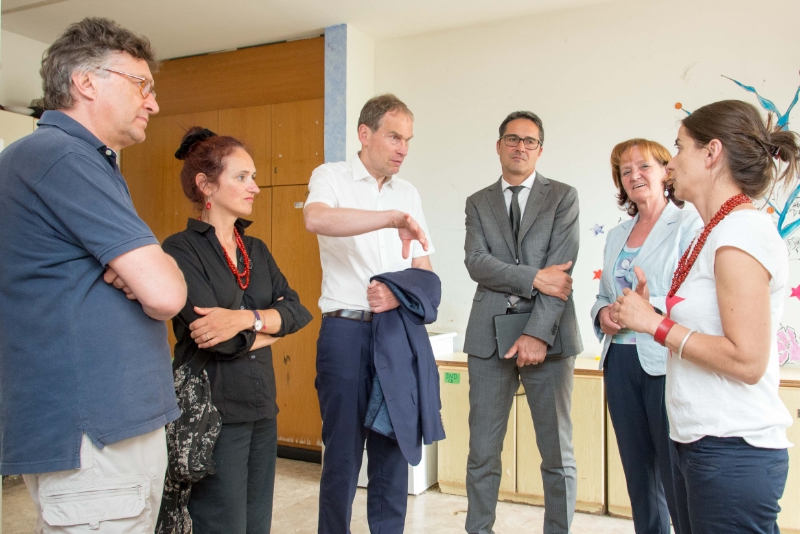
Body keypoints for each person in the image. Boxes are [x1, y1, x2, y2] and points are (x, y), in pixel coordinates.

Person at [0, 17, 187, 533]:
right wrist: (153, 269)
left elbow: (153, 277)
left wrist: (149, 267)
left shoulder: (79, 160)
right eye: (141, 84)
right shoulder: (61, 155)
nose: (152, 103)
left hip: (104, 429)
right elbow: (166, 293)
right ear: (86, 82)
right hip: (92, 433)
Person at [612, 100, 799, 534]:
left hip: (732, 448)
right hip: (699, 442)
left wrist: (654, 324)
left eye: (679, 147)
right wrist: (653, 312)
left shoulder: (741, 232)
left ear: (711, 153)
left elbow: (747, 361)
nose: (671, 163)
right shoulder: (716, 230)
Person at [162, 127, 312, 533]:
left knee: (257, 522)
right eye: (242, 177)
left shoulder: (256, 249)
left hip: (262, 408)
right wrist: (271, 326)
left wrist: (246, 319)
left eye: (254, 177)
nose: (255, 187)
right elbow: (218, 341)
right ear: (206, 185)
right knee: (220, 523)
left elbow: (298, 312)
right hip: (212, 412)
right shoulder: (180, 249)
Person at [304, 93, 435, 533]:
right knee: (342, 455)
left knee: (392, 450)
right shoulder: (331, 176)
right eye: (394, 137)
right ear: (365, 133)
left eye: (408, 140)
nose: (403, 149)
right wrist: (388, 219)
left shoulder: (409, 193)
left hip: (396, 333)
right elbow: (316, 219)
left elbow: (424, 271)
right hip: (346, 332)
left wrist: (398, 294)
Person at [463, 111, 582, 534]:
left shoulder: (562, 196)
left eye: (529, 141)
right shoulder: (478, 202)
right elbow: (476, 263)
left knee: (557, 454)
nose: (520, 147)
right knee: (482, 453)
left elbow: (560, 274)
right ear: (499, 146)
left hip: (550, 337)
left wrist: (536, 334)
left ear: (540, 150)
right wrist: (534, 277)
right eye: (512, 139)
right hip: (488, 339)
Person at [590, 139, 701, 533]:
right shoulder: (616, 235)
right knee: (638, 477)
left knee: (675, 473)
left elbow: (695, 298)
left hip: (664, 359)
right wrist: (603, 314)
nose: (634, 175)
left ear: (666, 171)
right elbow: (603, 297)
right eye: (625, 170)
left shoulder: (689, 225)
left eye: (644, 166)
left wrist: (645, 308)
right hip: (619, 362)